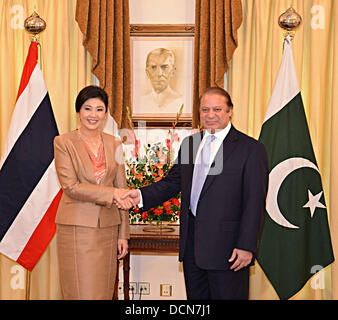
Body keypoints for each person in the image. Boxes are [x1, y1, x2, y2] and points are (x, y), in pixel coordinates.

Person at [117, 86, 269, 300]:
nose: (210, 115)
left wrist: (246, 246)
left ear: (229, 111)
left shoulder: (251, 149)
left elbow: (255, 202)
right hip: (192, 249)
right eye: (205, 110)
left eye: (217, 109)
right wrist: (140, 196)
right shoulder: (190, 144)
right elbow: (172, 182)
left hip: (229, 251)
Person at [54, 85, 131, 300]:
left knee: (104, 293)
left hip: (108, 229)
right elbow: (70, 186)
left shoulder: (115, 144)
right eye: (88, 109)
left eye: (99, 109)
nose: (93, 115)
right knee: (80, 292)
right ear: (78, 112)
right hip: (77, 229)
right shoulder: (63, 142)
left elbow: (122, 190)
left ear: (105, 113)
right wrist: (112, 194)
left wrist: (123, 234)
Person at [136, 48, 183, 114]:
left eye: (164, 67)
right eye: (153, 67)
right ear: (147, 73)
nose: (159, 74)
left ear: (172, 71)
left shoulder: (181, 102)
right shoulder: (138, 103)